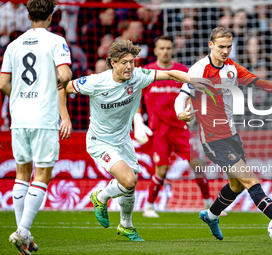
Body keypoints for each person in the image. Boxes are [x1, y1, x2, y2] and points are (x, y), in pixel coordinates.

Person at [58, 40, 208, 241]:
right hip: (99, 141)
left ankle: (126, 225)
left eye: (132, 62)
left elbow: (172, 74)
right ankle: (100, 196)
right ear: (112, 63)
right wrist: (65, 118)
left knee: (129, 185)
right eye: (124, 63)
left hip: (123, 141)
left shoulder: (139, 75)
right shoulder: (95, 82)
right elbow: (62, 87)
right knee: (129, 179)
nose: (129, 67)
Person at [174, 27, 272, 241]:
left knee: (236, 185)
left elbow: (258, 83)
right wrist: (180, 112)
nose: (225, 51)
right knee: (250, 180)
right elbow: (181, 95)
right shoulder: (199, 69)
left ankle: (211, 216)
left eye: (229, 47)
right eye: (221, 47)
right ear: (210, 45)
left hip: (231, 135)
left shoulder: (231, 68)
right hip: (213, 139)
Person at [0, 0, 72, 254]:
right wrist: (52, 91)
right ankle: (22, 231)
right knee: (41, 175)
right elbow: (64, 76)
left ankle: (24, 233)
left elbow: (3, 82)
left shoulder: (12, 45)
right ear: (51, 15)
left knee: (22, 172)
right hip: (43, 116)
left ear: (28, 15)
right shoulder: (56, 41)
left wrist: (20, 97)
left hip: (18, 116)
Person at [133, 36, 217, 218]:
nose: (165, 51)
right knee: (161, 170)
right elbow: (137, 99)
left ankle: (210, 205)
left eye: (168, 48)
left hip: (181, 129)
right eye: (161, 48)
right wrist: (138, 120)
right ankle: (148, 207)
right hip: (159, 131)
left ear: (173, 50)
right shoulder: (146, 72)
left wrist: (191, 109)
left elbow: (193, 94)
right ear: (155, 50)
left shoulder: (181, 71)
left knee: (198, 164)